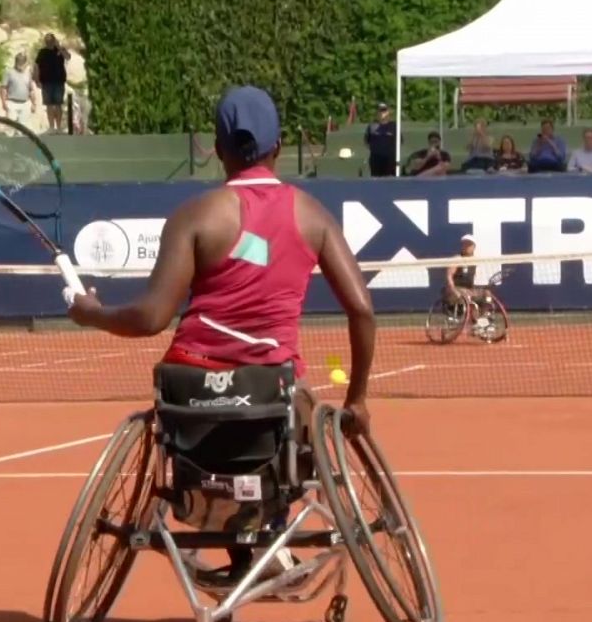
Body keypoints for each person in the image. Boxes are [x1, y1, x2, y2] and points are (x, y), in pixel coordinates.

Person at [66, 85, 376, 582]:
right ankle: (267, 527)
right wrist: (358, 398)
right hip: (270, 398)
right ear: (278, 146)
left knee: (209, 429)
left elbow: (149, 318)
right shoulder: (312, 214)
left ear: (218, 147)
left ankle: (242, 541)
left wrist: (92, 313)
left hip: (189, 401)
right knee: (303, 419)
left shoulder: (195, 215)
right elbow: (362, 310)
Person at [34, 34, 70, 133]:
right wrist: (36, 79)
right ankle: (51, 127)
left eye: (50, 40)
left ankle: (58, 127)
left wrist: (59, 47)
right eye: (47, 40)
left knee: (58, 104)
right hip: (46, 81)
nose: (48, 42)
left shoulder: (60, 51)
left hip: (58, 81)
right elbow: (37, 66)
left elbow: (68, 57)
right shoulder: (42, 52)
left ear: (54, 40)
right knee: (49, 104)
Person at [0, 52, 36, 126]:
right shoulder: (9, 72)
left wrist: (34, 104)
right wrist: (3, 102)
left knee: (24, 128)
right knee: (11, 127)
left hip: (25, 103)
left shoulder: (28, 73)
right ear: (16, 62)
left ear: (25, 63)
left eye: (22, 61)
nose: (21, 64)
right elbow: (3, 88)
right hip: (12, 103)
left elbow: (31, 90)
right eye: (19, 61)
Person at [364, 103, 397, 177]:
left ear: (388, 112)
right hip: (375, 159)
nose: (382, 113)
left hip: (389, 159)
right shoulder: (372, 126)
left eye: (384, 111)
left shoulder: (394, 126)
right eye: (380, 111)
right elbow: (367, 141)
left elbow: (399, 141)